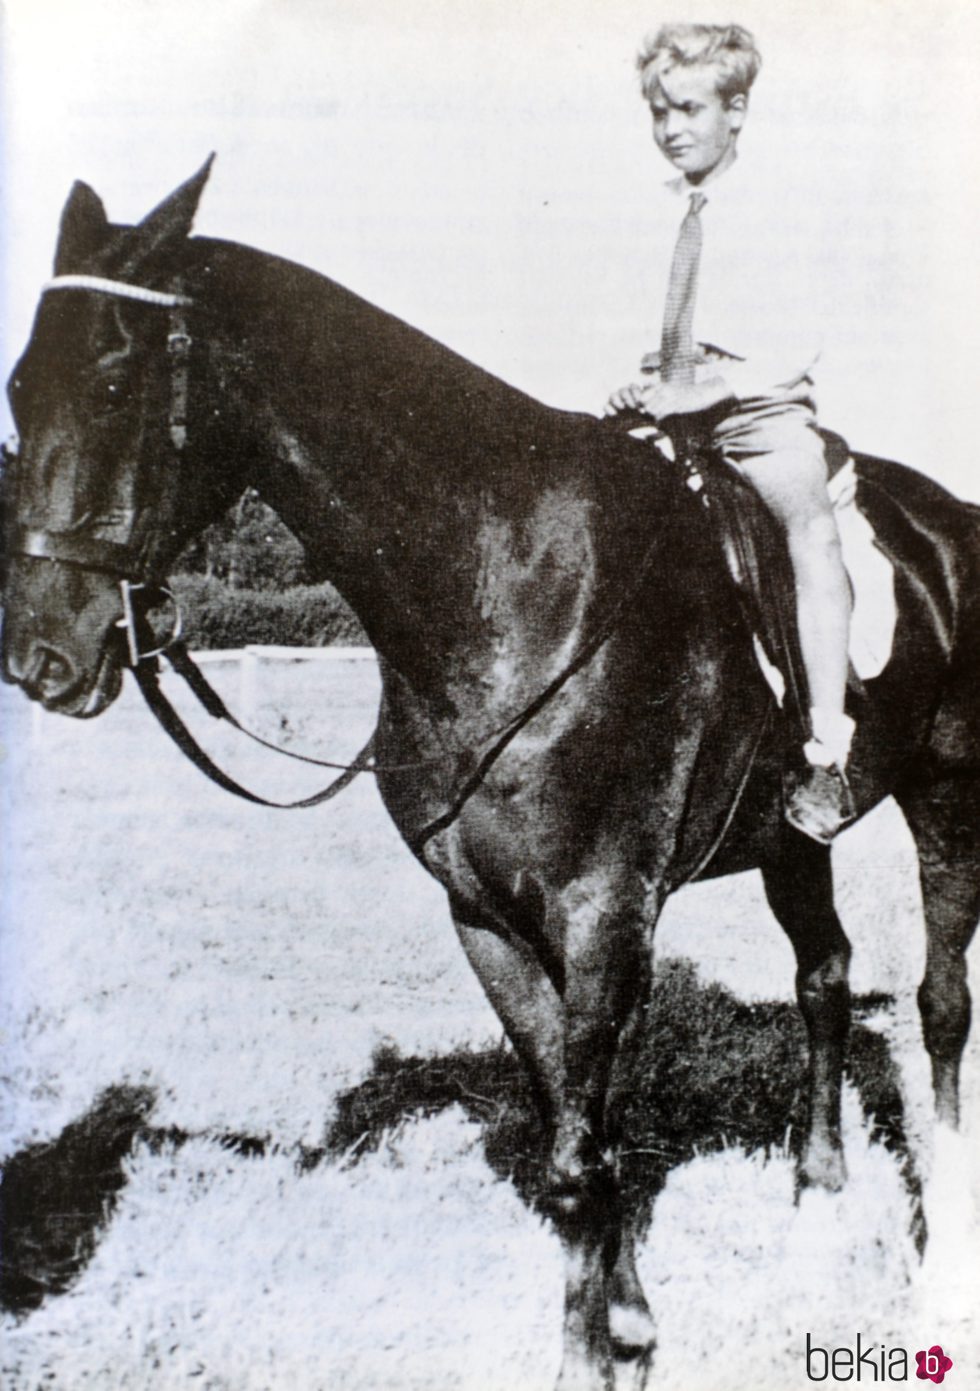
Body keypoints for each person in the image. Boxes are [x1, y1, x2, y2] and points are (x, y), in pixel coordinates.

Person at [605, 22, 856, 843]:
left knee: (810, 532)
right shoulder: (656, 211)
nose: (670, 129)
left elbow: (799, 342)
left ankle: (827, 748)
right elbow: (656, 323)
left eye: (687, 109)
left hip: (758, 412)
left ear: (737, 109)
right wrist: (639, 382)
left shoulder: (776, 205)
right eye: (657, 113)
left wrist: (719, 383)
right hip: (671, 406)